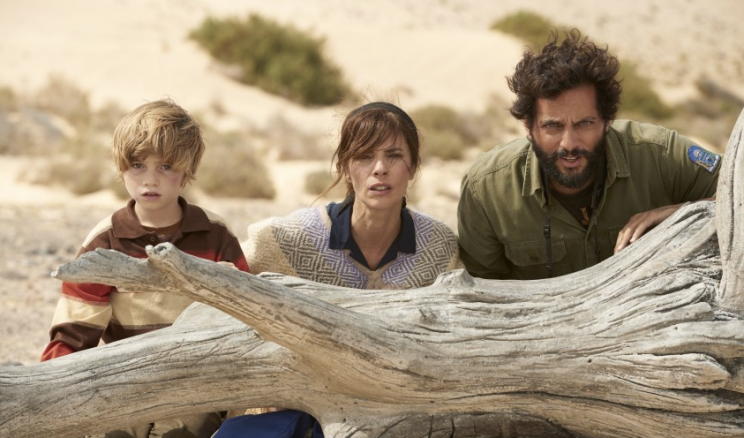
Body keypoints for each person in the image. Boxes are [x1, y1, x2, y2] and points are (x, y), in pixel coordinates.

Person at [213, 101, 462, 438]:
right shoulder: (291, 238)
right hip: (296, 408)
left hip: (396, 413)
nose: (379, 169)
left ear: (413, 167)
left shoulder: (438, 248)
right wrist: (262, 384)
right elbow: (228, 290)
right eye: (363, 157)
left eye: (394, 156)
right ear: (346, 168)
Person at [41, 99, 250, 438]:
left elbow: (246, 316)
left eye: (166, 166)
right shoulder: (105, 240)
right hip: (124, 379)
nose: (150, 180)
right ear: (121, 168)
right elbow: (74, 331)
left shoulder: (215, 234)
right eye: (137, 165)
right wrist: (46, 392)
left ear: (187, 170)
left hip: (195, 384)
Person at [457, 29, 721, 280]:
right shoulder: (486, 189)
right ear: (528, 127)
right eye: (553, 126)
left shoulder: (660, 154)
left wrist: (680, 213)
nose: (569, 143)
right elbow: (481, 292)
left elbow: (738, 197)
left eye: (584, 124)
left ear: (607, 121)